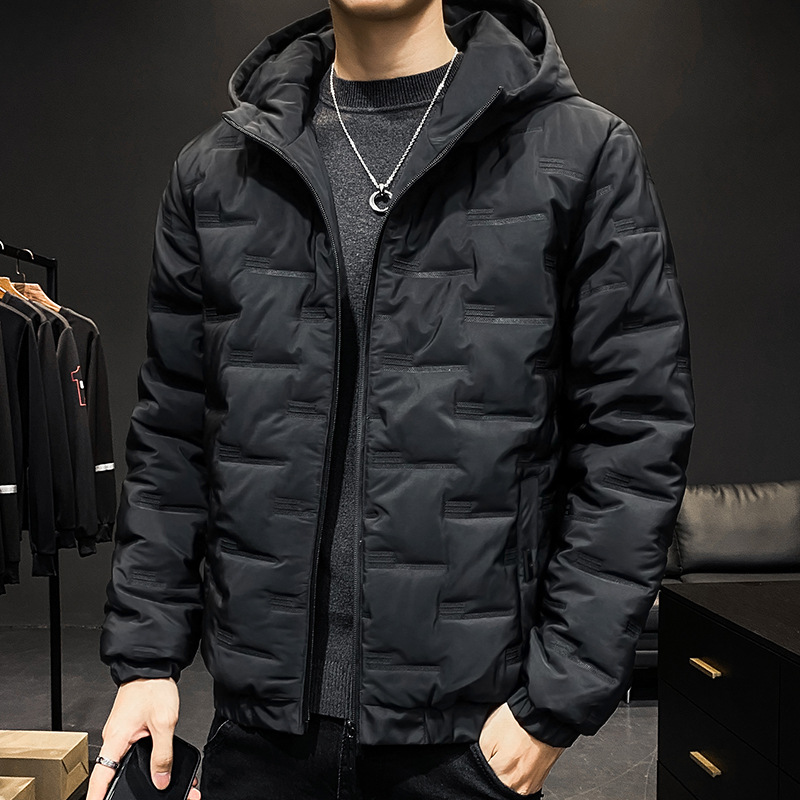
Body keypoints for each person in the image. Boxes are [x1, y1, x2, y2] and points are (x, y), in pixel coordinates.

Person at [89, 0, 696, 797]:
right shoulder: (217, 172)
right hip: (262, 739)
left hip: (466, 746)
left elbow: (633, 442)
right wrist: (145, 660)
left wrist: (554, 701)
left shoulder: (581, 154)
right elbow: (171, 438)